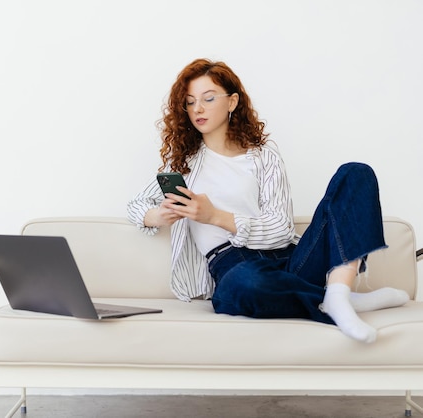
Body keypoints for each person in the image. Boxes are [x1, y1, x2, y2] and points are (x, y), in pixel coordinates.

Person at [127, 58, 408, 343]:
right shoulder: (184, 165)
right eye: (189, 102)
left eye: (208, 98)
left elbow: (281, 229)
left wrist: (214, 216)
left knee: (356, 173)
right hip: (234, 266)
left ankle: (337, 292)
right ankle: (339, 299)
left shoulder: (264, 157)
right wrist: (159, 216)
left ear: (232, 102)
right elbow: (136, 206)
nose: (197, 109)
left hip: (291, 259)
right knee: (243, 284)